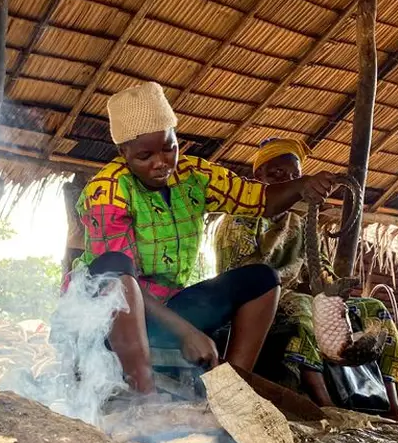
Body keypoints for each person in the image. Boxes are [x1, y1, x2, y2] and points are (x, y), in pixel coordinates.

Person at [72, 82, 337, 394]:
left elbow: (259, 199)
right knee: (114, 269)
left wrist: (301, 186)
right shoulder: (108, 189)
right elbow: (117, 276)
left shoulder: (195, 175)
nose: (161, 163)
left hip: (166, 306)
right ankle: (144, 398)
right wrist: (185, 332)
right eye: (145, 155)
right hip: (105, 316)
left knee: (262, 278)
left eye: (169, 148)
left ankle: (230, 391)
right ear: (124, 152)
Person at [214, 137, 398, 421]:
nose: (288, 182)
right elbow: (238, 274)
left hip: (296, 296)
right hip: (257, 300)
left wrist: (333, 289)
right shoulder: (240, 219)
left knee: (374, 310)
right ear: (258, 176)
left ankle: (393, 405)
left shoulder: (300, 221)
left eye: (295, 176)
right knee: (303, 308)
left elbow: (317, 268)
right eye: (277, 174)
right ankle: (323, 403)